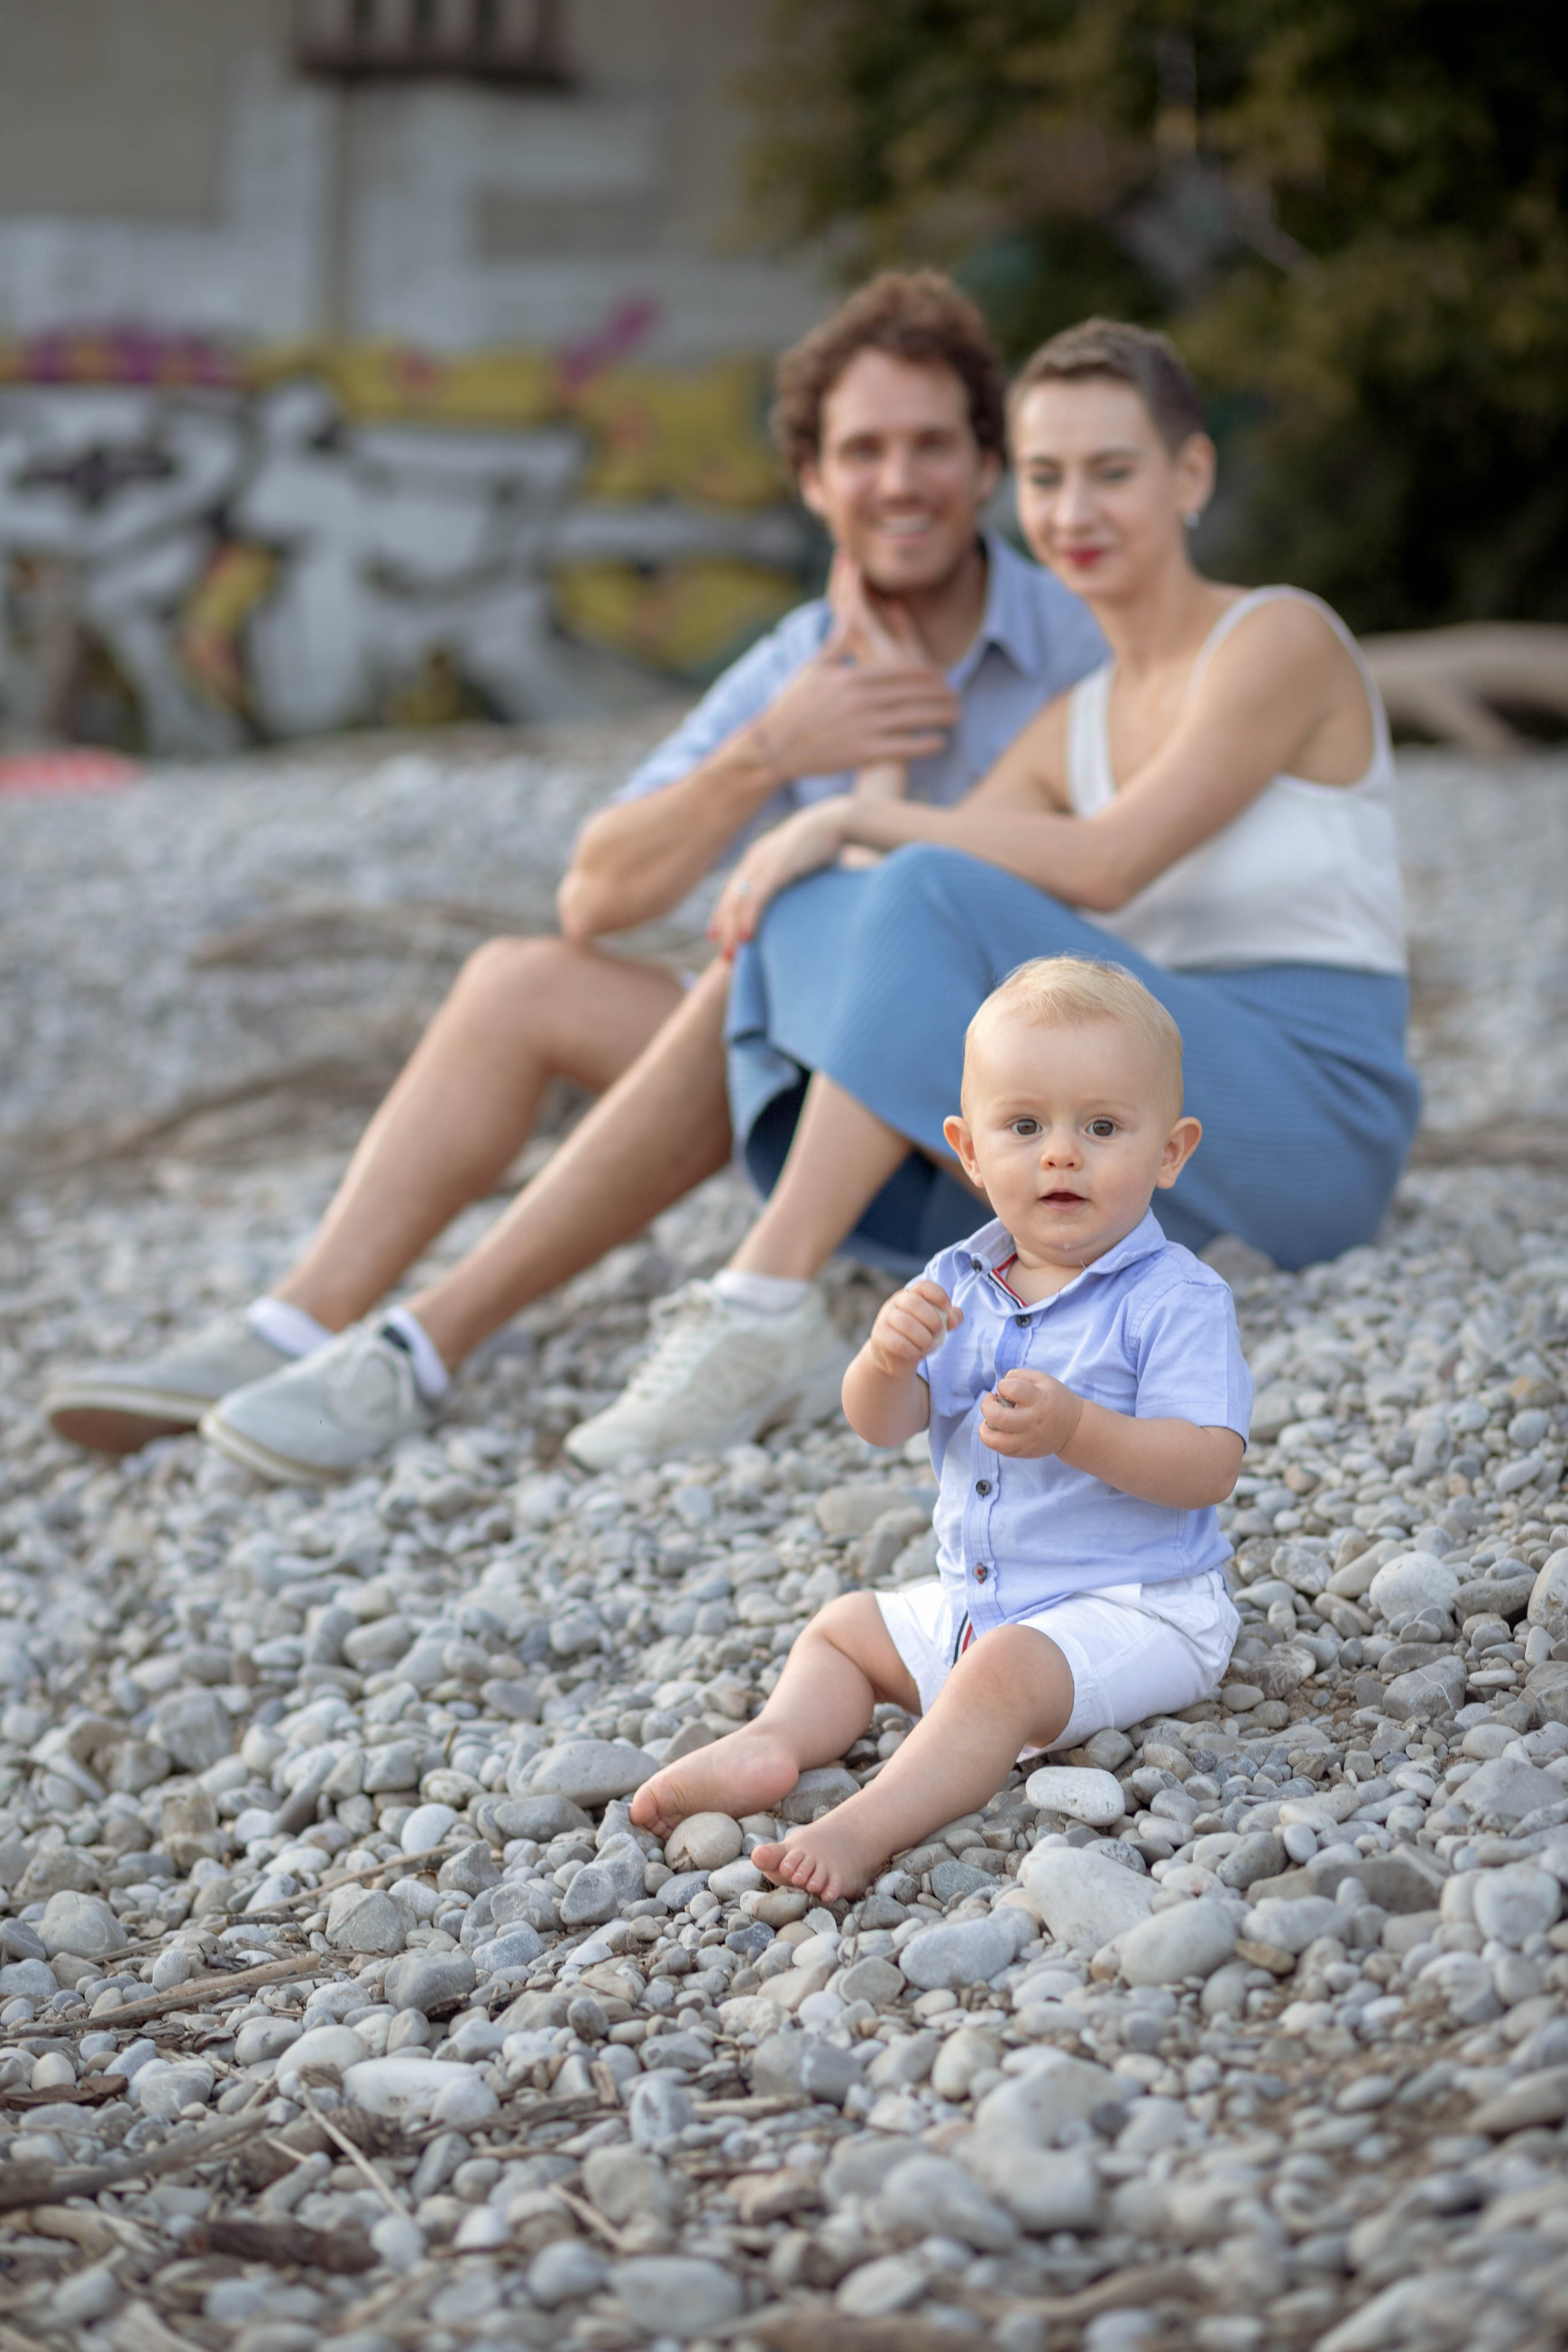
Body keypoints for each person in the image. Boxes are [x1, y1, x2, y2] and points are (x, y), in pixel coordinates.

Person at [43, 272, 1105, 1482]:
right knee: (518, 981)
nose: (898, 482)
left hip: (1006, 1121)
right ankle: (295, 1320)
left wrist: (868, 813)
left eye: (930, 445)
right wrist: (773, 749)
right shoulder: (803, 663)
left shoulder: (1075, 645)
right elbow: (593, 897)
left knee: (799, 924)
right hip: (810, 1101)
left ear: (984, 466)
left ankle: (425, 1346)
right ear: (813, 483)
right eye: (862, 451)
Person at [565, 316, 1420, 1472]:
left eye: (1112, 473)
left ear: (1191, 474)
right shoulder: (1072, 725)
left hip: (1308, 1119)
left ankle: (764, 1300)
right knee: (809, 909)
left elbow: (1114, 860)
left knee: (894, 875)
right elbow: (885, 931)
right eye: (1047, 479)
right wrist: (869, 734)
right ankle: (811, 1288)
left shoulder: (1277, 638)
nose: (1073, 514)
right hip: (1139, 1133)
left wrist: (845, 812)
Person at [630, 956, 1249, 1899]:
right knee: (843, 1630)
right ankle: (775, 1740)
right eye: (1026, 1126)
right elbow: (883, 1425)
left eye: (1103, 1127)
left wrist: (1079, 1429)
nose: (1061, 1154)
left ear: (1171, 1151)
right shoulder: (959, 1283)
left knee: (998, 1677)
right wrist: (881, 1362)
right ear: (968, 1150)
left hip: (1138, 1605)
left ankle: (868, 1822)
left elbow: (1208, 1468)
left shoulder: (1175, 1301)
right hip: (983, 1601)